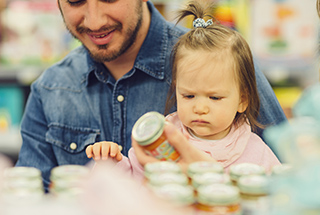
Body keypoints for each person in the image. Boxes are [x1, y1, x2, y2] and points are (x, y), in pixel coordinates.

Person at [16, 0, 286, 191]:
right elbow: (30, 204)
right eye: (75, 1)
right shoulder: (50, 89)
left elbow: (293, 185)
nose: (95, 20)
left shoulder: (218, 62)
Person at [86, 1, 281, 180]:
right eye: (188, 95)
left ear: (242, 100)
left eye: (214, 97)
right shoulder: (163, 140)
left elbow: (282, 196)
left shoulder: (255, 152)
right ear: (176, 89)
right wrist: (111, 163)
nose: (200, 108)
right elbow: (134, 182)